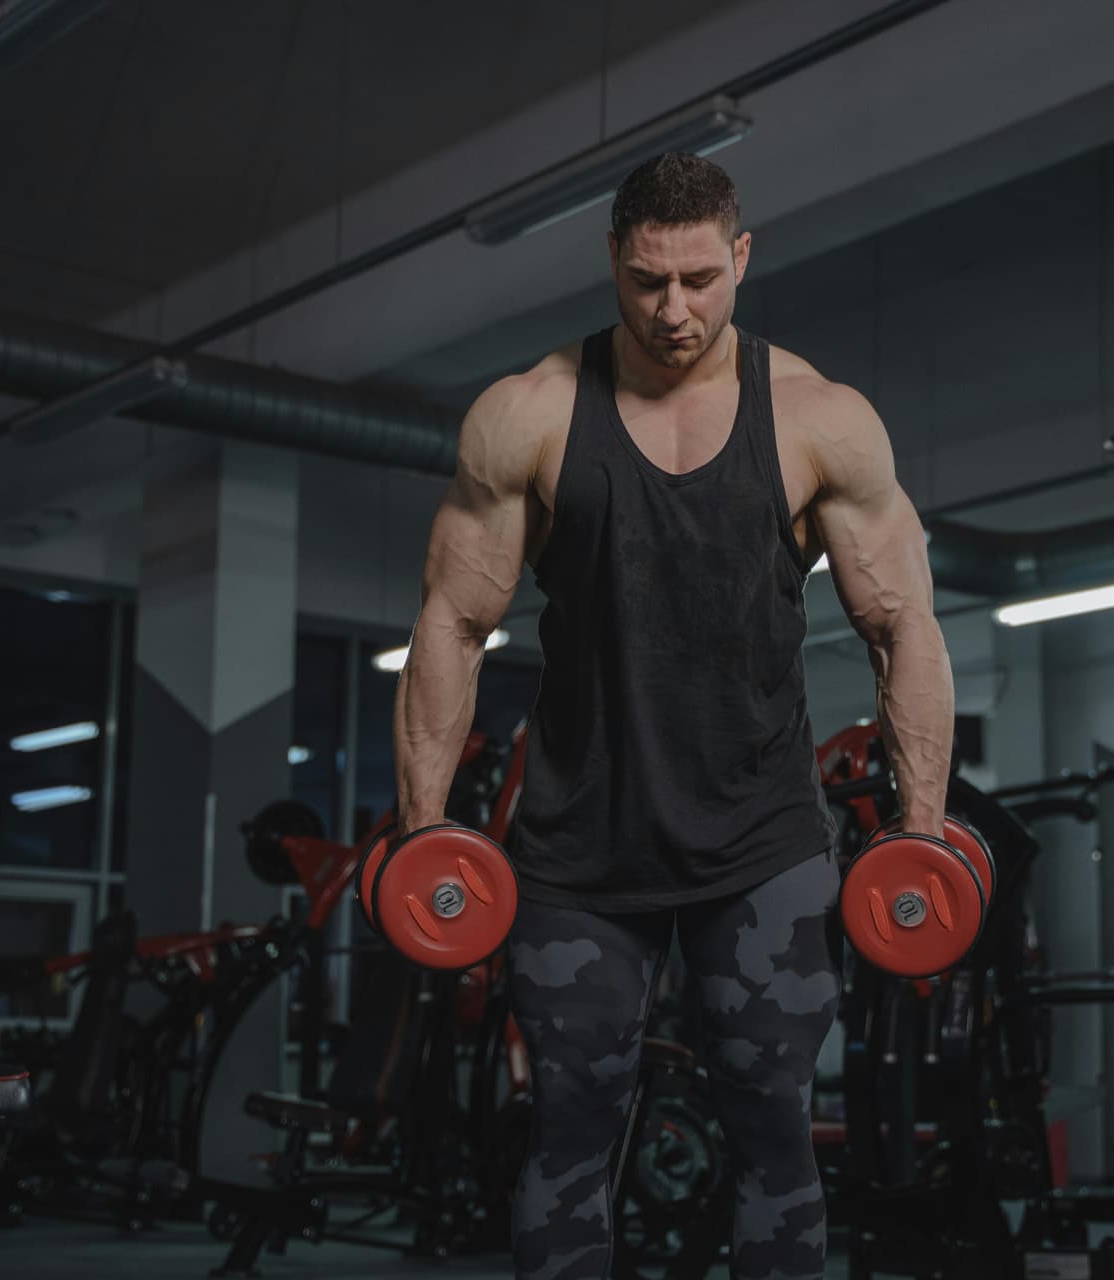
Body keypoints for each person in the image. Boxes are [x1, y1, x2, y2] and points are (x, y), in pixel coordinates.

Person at [393, 152, 952, 1280]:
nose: (674, 308)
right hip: (577, 852)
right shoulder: (530, 415)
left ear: (740, 257)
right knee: (567, 1136)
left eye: (700, 277)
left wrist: (922, 829)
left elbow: (905, 626)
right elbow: (452, 621)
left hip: (762, 844)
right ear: (613, 260)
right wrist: (423, 833)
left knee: (773, 1131)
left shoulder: (818, 421)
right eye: (649, 279)